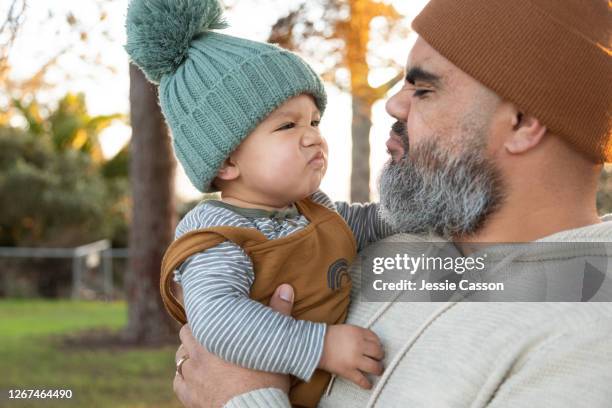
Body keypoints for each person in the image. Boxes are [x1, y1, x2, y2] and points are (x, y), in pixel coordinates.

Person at [172, 0, 612, 406]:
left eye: (424, 89)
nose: (392, 104)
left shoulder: (590, 343)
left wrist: (241, 397)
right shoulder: (374, 245)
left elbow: (232, 379)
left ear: (522, 122)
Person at [124, 0, 395, 406]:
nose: (313, 137)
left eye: (314, 122)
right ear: (228, 159)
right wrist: (319, 346)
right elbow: (218, 319)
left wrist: (418, 213)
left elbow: (371, 223)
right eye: (288, 125)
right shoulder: (218, 238)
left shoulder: (313, 212)